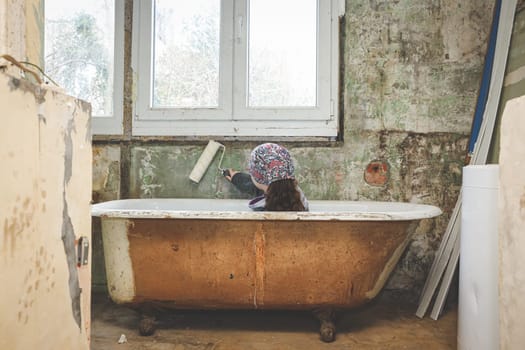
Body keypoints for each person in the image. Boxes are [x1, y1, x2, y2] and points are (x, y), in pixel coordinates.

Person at [224, 143, 309, 211]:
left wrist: (238, 179)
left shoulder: (260, 209)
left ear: (258, 178)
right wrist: (238, 179)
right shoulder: (300, 199)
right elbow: (269, 185)